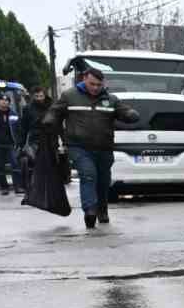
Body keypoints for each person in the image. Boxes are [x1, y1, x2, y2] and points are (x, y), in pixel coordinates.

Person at [45, 65, 139, 229]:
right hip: (79, 147)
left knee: (103, 181)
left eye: (98, 85)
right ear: (84, 80)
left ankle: (102, 209)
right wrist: (50, 120)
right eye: (92, 84)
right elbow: (55, 111)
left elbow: (123, 111)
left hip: (104, 148)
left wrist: (130, 114)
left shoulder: (111, 99)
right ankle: (90, 211)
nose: (95, 88)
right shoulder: (69, 96)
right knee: (88, 175)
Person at [19, 87, 53, 194]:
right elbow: (24, 127)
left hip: (50, 139)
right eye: (36, 96)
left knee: (49, 164)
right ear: (33, 96)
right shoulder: (28, 109)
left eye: (41, 96)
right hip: (35, 139)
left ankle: (47, 186)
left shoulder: (51, 107)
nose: (39, 98)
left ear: (45, 95)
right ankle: (33, 186)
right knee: (34, 162)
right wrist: (21, 144)